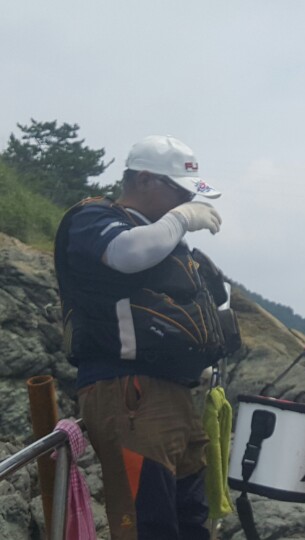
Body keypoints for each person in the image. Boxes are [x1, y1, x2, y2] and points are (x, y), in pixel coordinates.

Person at [54, 135, 234, 539]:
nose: (187, 201)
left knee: (190, 519)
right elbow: (127, 253)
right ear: (145, 180)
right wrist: (181, 219)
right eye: (181, 192)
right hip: (127, 392)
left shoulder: (160, 235)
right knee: (147, 522)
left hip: (173, 396)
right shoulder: (93, 218)